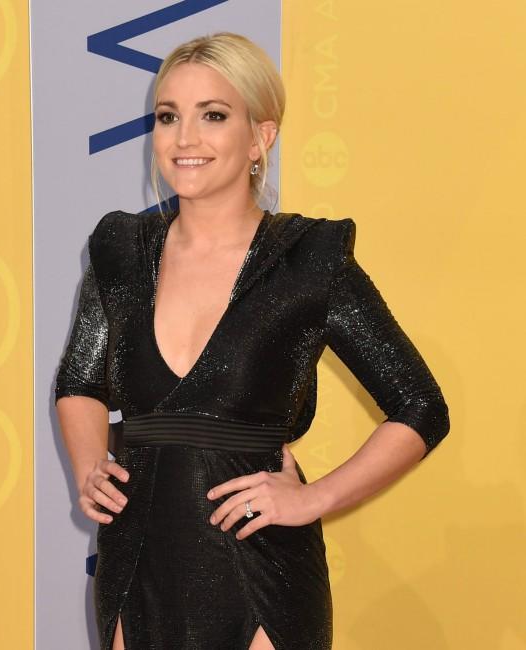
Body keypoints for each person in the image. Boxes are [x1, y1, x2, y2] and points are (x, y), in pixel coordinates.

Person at [54, 32, 450, 650]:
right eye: (168, 117)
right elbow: (80, 382)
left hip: (261, 568)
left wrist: (313, 499)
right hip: (135, 560)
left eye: (213, 115)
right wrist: (88, 469)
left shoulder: (309, 260)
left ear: (260, 137)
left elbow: (421, 406)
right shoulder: (120, 249)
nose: (184, 138)